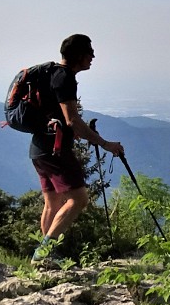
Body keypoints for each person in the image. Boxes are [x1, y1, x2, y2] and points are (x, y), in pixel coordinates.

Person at [29, 33, 124, 259]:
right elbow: (72, 119)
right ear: (78, 55)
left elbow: (63, 120)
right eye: (89, 52)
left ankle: (46, 257)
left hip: (38, 148)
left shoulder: (52, 74)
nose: (93, 56)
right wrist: (104, 143)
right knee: (79, 199)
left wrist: (77, 132)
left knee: (52, 202)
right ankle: (44, 252)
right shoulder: (65, 78)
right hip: (56, 150)